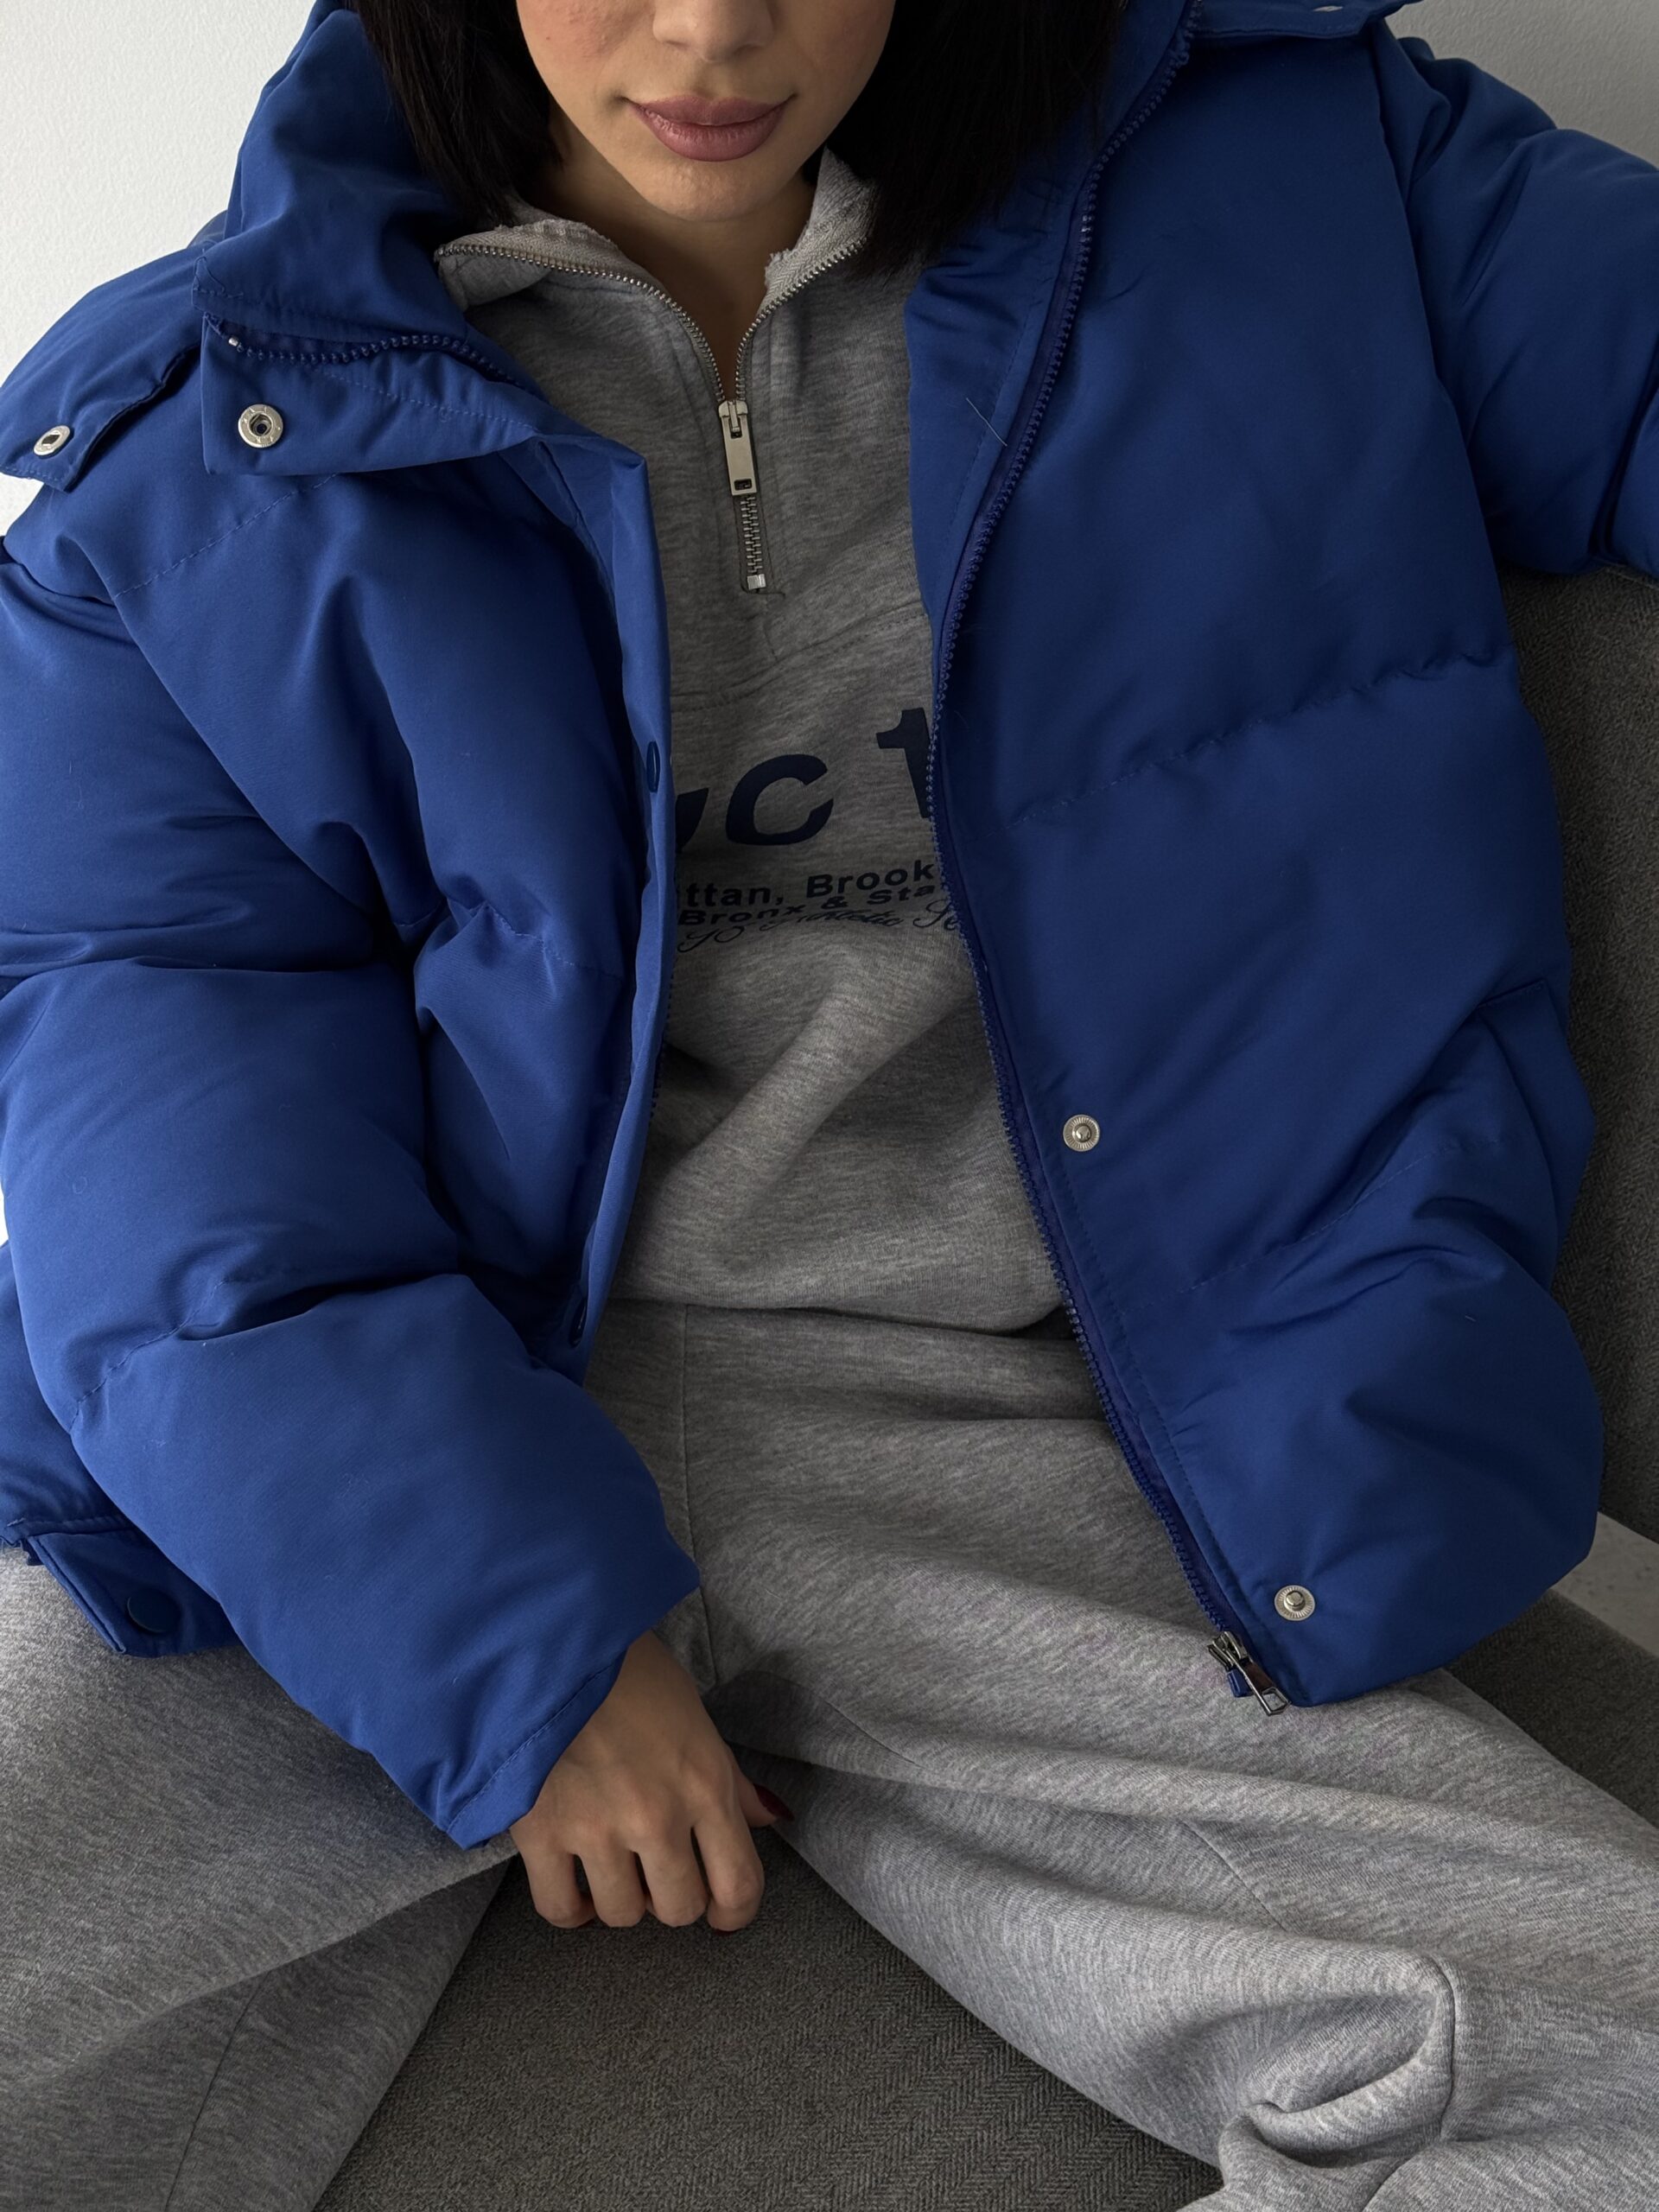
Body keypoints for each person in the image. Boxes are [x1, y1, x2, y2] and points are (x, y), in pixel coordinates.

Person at [1, 0, 1656, 2203]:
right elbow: (166, 1102)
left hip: (1052, 1419)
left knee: (1603, 2092)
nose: (711, 29)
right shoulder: (196, 433)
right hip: (419, 1400)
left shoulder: (1311, 169)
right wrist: (503, 1645)